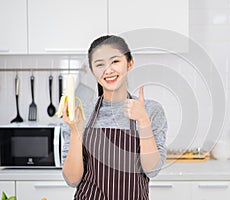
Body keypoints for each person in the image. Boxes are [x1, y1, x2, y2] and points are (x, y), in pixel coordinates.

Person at [61, 35, 167, 200]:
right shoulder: (81, 113)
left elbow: (152, 170)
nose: (108, 70)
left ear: (129, 63)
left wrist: (144, 122)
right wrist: (76, 130)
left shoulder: (150, 111)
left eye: (115, 61)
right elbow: (72, 179)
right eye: (99, 64)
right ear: (93, 70)